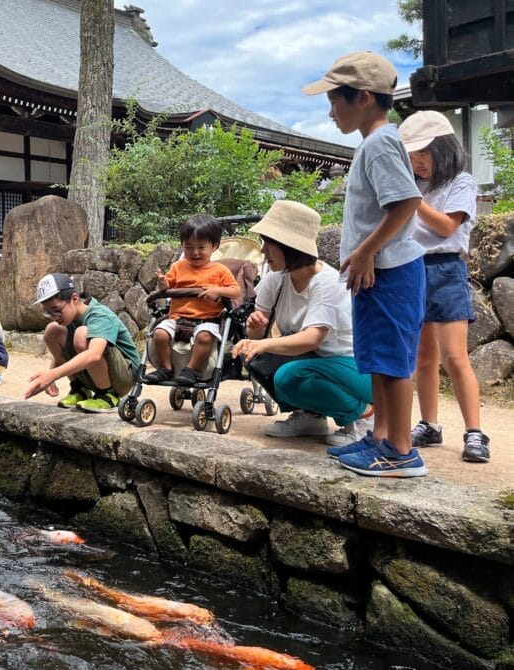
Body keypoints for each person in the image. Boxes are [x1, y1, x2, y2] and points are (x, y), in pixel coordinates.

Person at [303, 51, 427, 478]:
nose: (330, 112)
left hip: (389, 270)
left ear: (363, 98)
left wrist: (368, 250)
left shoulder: (379, 143)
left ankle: (401, 450)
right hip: (376, 272)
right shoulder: (374, 144)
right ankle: (380, 437)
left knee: (392, 360)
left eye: (334, 101)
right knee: (377, 358)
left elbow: (407, 202)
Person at [231, 200, 374, 446]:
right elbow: (256, 335)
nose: (263, 251)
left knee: (290, 373)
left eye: (269, 244)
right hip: (319, 362)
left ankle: (365, 417)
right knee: (260, 360)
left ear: (289, 246)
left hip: (356, 367)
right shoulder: (275, 279)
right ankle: (311, 417)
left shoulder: (327, 282)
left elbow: (312, 338)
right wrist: (255, 328)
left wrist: (263, 344)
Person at [398, 110, 490, 462]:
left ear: (443, 149)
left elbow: (447, 227)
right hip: (412, 268)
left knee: (454, 356)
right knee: (424, 358)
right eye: (412, 156)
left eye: (423, 153)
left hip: (446, 269)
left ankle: (475, 432)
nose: (417, 163)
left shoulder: (461, 182)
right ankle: (429, 424)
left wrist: (414, 200)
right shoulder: (416, 186)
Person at [142, 215, 242, 386]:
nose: (195, 252)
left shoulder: (220, 271)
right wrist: (163, 283)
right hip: (177, 318)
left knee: (204, 337)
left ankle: (192, 369)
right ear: (183, 246)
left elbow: (236, 291)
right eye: (189, 247)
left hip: (206, 319)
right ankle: (166, 368)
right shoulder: (178, 267)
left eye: (201, 247)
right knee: (159, 333)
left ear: (214, 246)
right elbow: (167, 288)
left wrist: (217, 290)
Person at [23, 272, 140, 413]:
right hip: (98, 373)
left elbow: (94, 354)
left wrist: (53, 374)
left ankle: (108, 396)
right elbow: (62, 351)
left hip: (125, 376)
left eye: (57, 310)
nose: (55, 317)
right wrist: (50, 376)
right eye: (48, 312)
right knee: (52, 330)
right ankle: (80, 388)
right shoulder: (70, 318)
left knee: (81, 334)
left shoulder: (99, 315)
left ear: (74, 298)